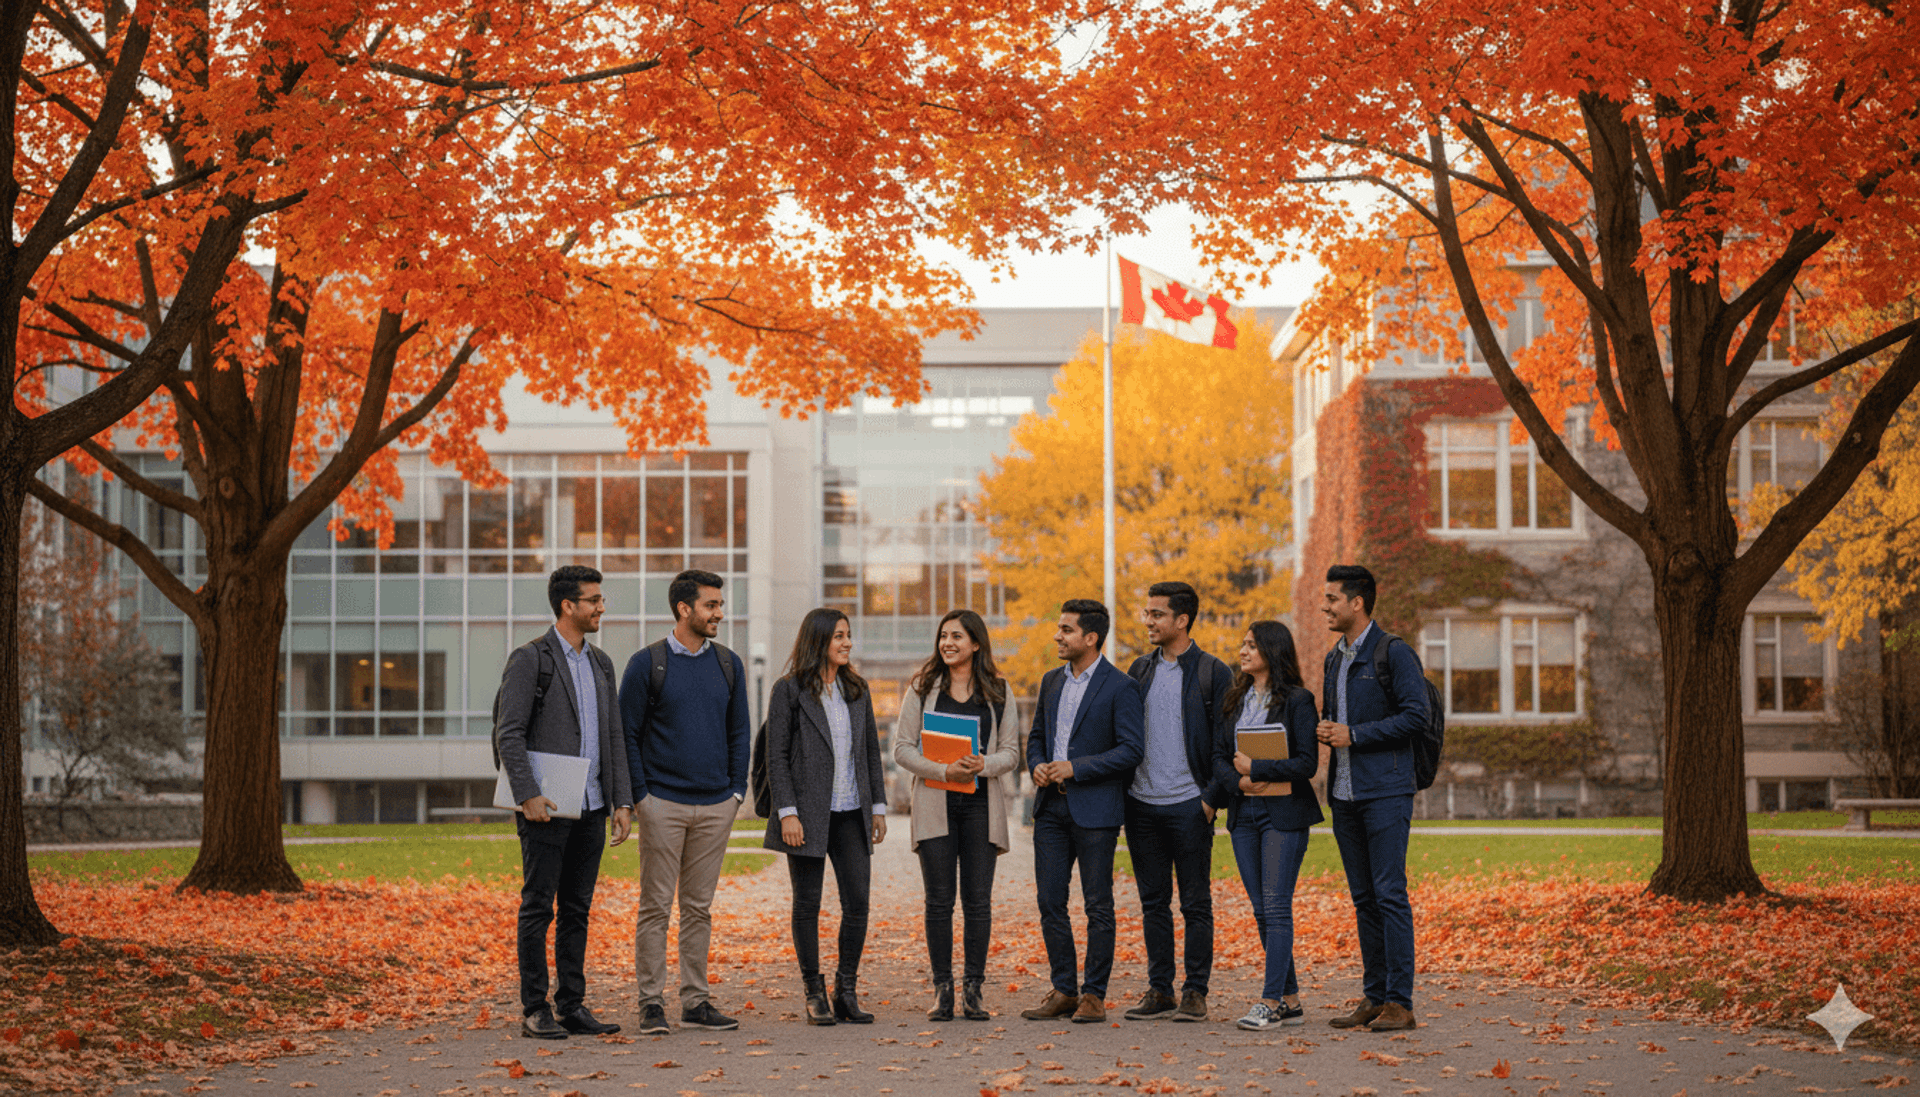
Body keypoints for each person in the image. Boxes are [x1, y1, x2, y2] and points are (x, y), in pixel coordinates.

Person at [495, 565, 633, 1040]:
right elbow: (507, 732)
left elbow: (612, 734)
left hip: (593, 806)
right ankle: (535, 1009)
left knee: (577, 909)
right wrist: (527, 795)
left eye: (601, 598)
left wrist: (621, 800)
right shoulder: (531, 659)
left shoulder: (601, 664)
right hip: (547, 807)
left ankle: (572, 1004)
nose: (601, 607)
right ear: (567, 606)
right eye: (593, 600)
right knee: (538, 908)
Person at [620, 569, 749, 1035]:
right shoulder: (646, 664)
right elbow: (627, 734)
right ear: (684, 609)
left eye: (719, 604)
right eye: (711, 605)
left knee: (699, 908)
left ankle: (696, 1002)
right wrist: (641, 797)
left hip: (717, 805)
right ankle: (650, 1003)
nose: (719, 612)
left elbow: (739, 733)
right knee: (655, 906)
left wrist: (736, 792)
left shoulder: (729, 664)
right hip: (662, 803)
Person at [893, 609, 1023, 1022]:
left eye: (957, 637)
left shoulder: (1000, 691)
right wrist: (943, 770)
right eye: (943, 636)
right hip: (936, 804)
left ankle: (974, 990)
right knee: (938, 902)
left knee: (978, 903)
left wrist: (981, 765)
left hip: (981, 805)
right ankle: (942, 991)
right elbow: (902, 748)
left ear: (976, 644)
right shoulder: (922, 688)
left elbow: (1011, 753)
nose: (948, 643)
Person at [1021, 599, 1145, 1025]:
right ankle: (1063, 989)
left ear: (1090, 638)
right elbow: (1036, 737)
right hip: (1051, 808)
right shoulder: (1051, 681)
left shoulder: (1120, 686)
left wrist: (1077, 768)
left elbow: (1131, 750)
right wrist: (1035, 764)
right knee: (1049, 901)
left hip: (1096, 810)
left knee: (1098, 905)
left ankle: (1094, 994)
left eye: (1066, 630)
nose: (1058, 636)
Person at [1316, 564, 1429, 1032]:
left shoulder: (1393, 653)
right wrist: (1325, 730)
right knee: (1364, 898)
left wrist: (1353, 734)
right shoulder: (1333, 659)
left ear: (1357, 602)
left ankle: (1399, 1003)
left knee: (1389, 895)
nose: (1324, 606)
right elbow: (1336, 721)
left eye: (1332, 599)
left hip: (1385, 791)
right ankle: (1374, 996)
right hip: (1343, 795)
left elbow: (1415, 716)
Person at [764, 608, 889, 1026]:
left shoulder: (857, 689)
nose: (847, 643)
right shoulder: (789, 690)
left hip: (852, 811)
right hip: (807, 813)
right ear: (819, 640)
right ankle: (813, 991)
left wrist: (878, 807)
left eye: (848, 635)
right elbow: (776, 756)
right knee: (808, 904)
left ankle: (846, 990)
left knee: (858, 903)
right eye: (839, 636)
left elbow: (870, 750)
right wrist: (788, 813)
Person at [1120, 581, 1235, 1023]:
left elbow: (1225, 742)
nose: (1148, 621)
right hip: (1142, 805)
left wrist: (1210, 799)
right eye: (1146, 613)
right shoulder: (1139, 670)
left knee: (1194, 903)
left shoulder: (1212, 671)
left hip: (1190, 804)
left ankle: (1195, 991)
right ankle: (1160, 988)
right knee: (1153, 903)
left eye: (1156, 614)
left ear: (1181, 620)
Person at [1215, 620, 1322, 1030]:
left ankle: (1270, 1001)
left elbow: (1307, 764)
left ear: (1272, 652)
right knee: (1262, 910)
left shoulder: (1297, 700)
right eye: (1242, 645)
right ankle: (1291, 1000)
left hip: (1284, 814)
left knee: (1277, 906)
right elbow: (1218, 756)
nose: (1242, 652)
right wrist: (1239, 781)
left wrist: (1258, 766)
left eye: (1251, 646)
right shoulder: (1234, 699)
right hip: (1244, 814)